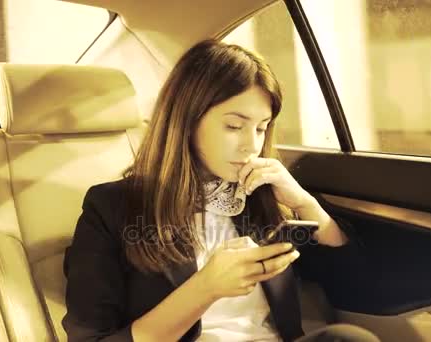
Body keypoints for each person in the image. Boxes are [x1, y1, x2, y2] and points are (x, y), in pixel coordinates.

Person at [62, 39, 380, 342]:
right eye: (233, 126)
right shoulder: (111, 207)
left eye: (261, 127)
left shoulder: (258, 198)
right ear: (188, 120)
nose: (251, 144)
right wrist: (206, 287)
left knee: (350, 337)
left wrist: (305, 204)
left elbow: (355, 289)